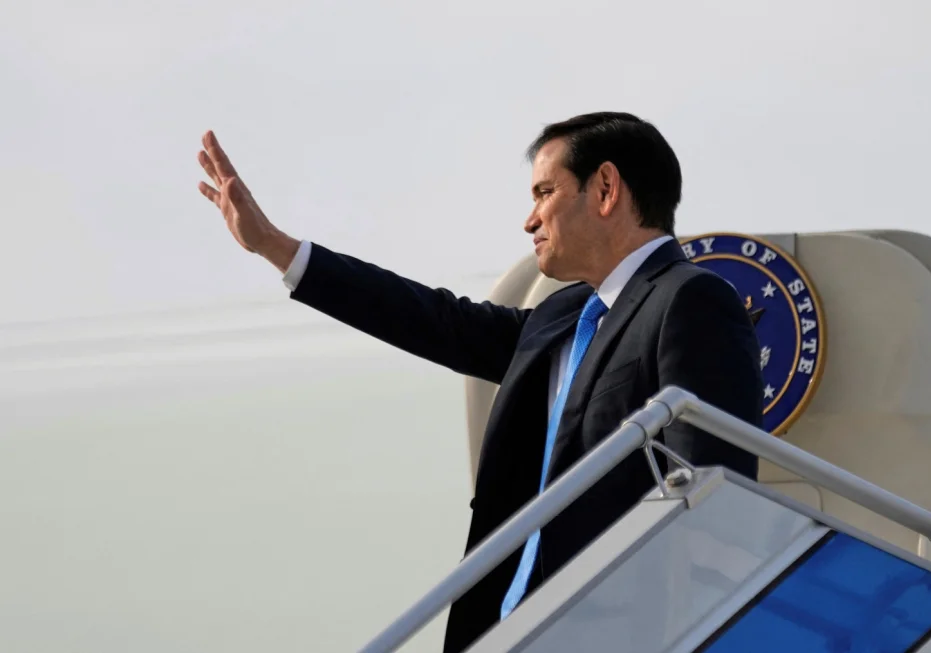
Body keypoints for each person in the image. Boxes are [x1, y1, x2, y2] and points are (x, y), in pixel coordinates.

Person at [196, 112, 764, 652]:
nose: (529, 220)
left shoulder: (689, 299)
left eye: (544, 193)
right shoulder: (561, 316)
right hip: (510, 631)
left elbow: (711, 502)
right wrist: (276, 248)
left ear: (606, 189)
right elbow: (431, 320)